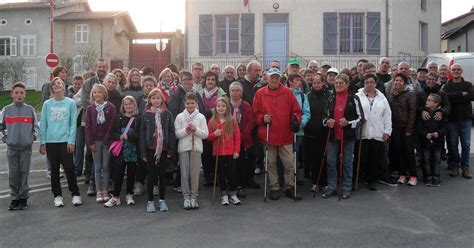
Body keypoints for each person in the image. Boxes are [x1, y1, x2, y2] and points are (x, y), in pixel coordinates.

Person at [253, 68, 303, 201]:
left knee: (289, 164)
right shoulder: (260, 93)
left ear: (280, 78)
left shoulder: (288, 92)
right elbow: (256, 113)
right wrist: (263, 118)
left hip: (286, 134)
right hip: (268, 135)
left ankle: (289, 186)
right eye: (272, 77)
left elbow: (297, 110)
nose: (274, 79)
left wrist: (295, 120)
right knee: (270, 163)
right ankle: (274, 187)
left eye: (276, 77)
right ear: (267, 78)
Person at [39, 77, 81, 207]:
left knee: (69, 168)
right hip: (51, 141)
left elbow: (73, 124)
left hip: (65, 141)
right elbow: (43, 124)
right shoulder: (47, 104)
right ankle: (57, 195)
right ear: (52, 88)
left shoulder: (70, 103)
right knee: (54, 170)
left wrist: (71, 141)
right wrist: (42, 142)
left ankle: (75, 194)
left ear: (64, 87)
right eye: (54, 84)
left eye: (60, 83)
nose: (57, 85)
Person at [321, 74, 361, 199]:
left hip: (348, 136)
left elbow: (360, 118)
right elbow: (324, 116)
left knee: (347, 162)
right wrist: (327, 121)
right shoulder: (331, 98)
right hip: (333, 135)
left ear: (347, 85)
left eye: (341, 83)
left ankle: (346, 187)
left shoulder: (353, 98)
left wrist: (348, 122)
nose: (338, 85)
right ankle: (332, 186)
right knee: (331, 161)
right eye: (337, 83)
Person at [1, 82, 38, 210]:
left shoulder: (30, 110)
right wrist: (5, 139)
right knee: (13, 174)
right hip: (11, 148)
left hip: (25, 148)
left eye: (21, 93)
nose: (19, 95)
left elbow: (35, 127)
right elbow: (1, 128)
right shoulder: (6, 110)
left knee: (24, 172)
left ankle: (23, 198)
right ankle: (14, 198)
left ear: (25, 94)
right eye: (16, 93)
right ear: (12, 94)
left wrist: (32, 138)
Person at [140, 89, 176, 213]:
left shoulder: (167, 114)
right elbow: (142, 134)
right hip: (150, 149)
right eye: (153, 98)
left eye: (158, 98)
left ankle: (162, 200)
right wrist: (143, 152)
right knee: (152, 175)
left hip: (164, 148)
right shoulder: (145, 114)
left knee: (162, 174)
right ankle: (150, 201)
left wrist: (171, 149)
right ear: (149, 100)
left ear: (162, 99)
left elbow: (171, 132)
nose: (156, 100)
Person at [355, 74, 392, 191]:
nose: (369, 84)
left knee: (374, 158)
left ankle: (372, 180)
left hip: (377, 131)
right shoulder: (358, 96)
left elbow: (387, 115)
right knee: (361, 157)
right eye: (367, 82)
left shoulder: (382, 98)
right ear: (363, 84)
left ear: (376, 84)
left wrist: (387, 131)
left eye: (372, 82)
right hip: (363, 132)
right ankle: (360, 178)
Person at [174, 92, 209, 210]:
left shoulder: (201, 117)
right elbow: (177, 134)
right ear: (184, 103)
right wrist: (186, 130)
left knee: (195, 174)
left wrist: (196, 130)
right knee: (184, 173)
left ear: (196, 103)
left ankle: (194, 197)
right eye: (188, 103)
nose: (190, 105)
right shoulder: (180, 117)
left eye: (192, 103)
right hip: (184, 148)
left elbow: (205, 134)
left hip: (196, 148)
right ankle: (186, 197)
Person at [104, 96, 140, 208]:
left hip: (133, 151)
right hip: (121, 151)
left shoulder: (138, 119)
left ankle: (130, 194)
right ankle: (115, 197)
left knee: (131, 173)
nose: (128, 106)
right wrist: (120, 136)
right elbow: (112, 133)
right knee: (118, 174)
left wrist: (128, 136)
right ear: (123, 106)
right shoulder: (118, 118)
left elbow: (139, 134)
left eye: (130, 104)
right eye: (126, 104)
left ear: (134, 105)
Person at [85, 84, 117, 203]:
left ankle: (105, 189)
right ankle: (98, 190)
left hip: (107, 141)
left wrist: (108, 139)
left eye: (99, 92)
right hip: (95, 142)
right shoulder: (90, 109)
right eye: (94, 93)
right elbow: (87, 126)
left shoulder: (111, 107)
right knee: (97, 167)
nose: (96, 95)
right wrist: (90, 142)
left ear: (104, 94)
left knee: (106, 166)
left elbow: (112, 125)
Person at [207, 97, 241, 205]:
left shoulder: (232, 120)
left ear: (227, 107)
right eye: (219, 106)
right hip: (218, 153)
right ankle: (224, 194)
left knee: (232, 173)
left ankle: (232, 194)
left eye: (223, 106)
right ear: (215, 108)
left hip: (230, 152)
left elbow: (237, 136)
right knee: (221, 174)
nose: (221, 108)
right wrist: (214, 134)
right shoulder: (212, 121)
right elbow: (208, 137)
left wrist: (236, 150)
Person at [441, 64, 473, 179]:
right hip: (451, 120)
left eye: (458, 69)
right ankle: (455, 165)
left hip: (466, 119)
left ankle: (465, 167)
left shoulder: (468, 85)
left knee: (466, 144)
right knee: (452, 144)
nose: (456, 71)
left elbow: (471, 96)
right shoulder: (446, 85)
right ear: (450, 71)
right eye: (453, 69)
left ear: (462, 71)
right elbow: (444, 97)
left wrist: (453, 97)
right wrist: (461, 95)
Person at [388, 73, 417, 186]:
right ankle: (402, 173)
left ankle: (413, 175)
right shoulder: (391, 94)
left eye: (400, 81)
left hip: (406, 127)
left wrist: (410, 128)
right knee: (399, 151)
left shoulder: (409, 94)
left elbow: (413, 112)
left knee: (409, 151)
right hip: (395, 127)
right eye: (396, 80)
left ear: (404, 83)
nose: (397, 82)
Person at [305, 74, 332, 191]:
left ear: (323, 83)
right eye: (314, 83)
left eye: (318, 82)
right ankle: (315, 182)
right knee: (314, 158)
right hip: (312, 132)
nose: (316, 85)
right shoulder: (308, 96)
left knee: (326, 157)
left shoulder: (329, 95)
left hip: (325, 131)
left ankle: (325, 182)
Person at [200, 71, 226, 186]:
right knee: (205, 152)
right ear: (205, 81)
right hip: (203, 124)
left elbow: (224, 106)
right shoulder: (200, 93)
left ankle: (218, 175)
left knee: (216, 149)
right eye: (208, 79)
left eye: (212, 79)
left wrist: (210, 111)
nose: (210, 81)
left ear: (216, 81)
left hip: (217, 123)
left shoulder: (221, 93)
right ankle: (208, 175)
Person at [228, 81, 254, 198]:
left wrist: (242, 136)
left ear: (241, 92)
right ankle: (230, 185)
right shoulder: (226, 104)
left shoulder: (246, 105)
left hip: (243, 140)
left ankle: (240, 186)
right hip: (228, 140)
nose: (235, 93)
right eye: (233, 90)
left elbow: (250, 122)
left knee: (241, 164)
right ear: (229, 92)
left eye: (237, 90)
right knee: (230, 165)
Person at [417, 94, 448, 187]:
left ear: (436, 103)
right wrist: (425, 133)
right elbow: (419, 127)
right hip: (426, 142)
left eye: (430, 100)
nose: (427, 101)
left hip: (438, 142)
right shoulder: (423, 113)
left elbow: (445, 127)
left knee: (437, 159)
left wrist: (438, 133)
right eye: (427, 100)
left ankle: (436, 177)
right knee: (426, 159)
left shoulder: (440, 114)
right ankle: (428, 177)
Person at [288, 74, 311, 184]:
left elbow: (306, 112)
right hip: (286, 131)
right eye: (297, 80)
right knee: (286, 156)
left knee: (295, 154)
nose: (299, 82)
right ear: (291, 82)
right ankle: (286, 178)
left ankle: (295, 177)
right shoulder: (286, 94)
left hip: (298, 130)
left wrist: (300, 124)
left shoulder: (303, 96)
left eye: (300, 80)